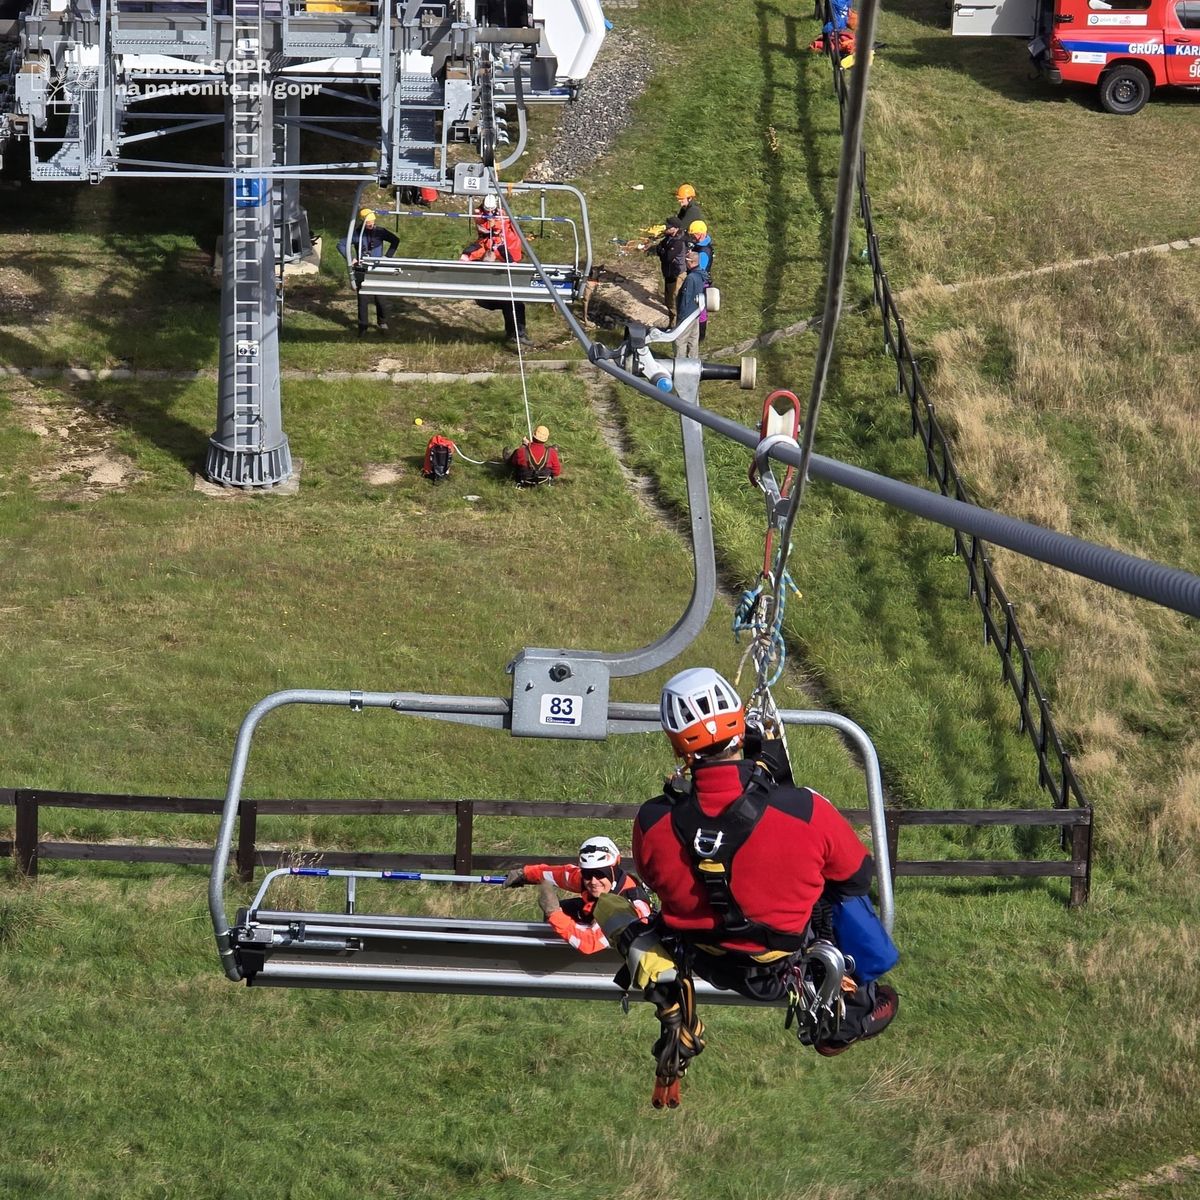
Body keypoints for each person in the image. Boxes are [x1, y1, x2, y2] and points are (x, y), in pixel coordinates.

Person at [604, 667, 898, 1106]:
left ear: (676, 742)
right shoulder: (805, 810)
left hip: (702, 959)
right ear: (741, 725)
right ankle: (853, 1009)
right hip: (787, 964)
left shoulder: (652, 821)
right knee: (837, 894)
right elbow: (856, 877)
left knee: (611, 902)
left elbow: (650, 876)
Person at [504, 836, 652, 954]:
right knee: (568, 908)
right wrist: (524, 874)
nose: (593, 881)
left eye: (601, 874)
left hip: (622, 951)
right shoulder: (587, 880)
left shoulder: (628, 905)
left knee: (560, 914)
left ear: (615, 867)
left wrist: (553, 913)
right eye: (588, 874)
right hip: (600, 921)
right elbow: (557, 874)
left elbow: (589, 943)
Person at [460, 193, 529, 347]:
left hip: (501, 289)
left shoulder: (500, 246)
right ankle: (516, 335)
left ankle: (517, 335)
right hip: (485, 293)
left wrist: (511, 262)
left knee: (516, 304)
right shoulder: (481, 248)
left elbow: (508, 254)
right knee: (512, 303)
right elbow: (478, 238)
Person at [351, 208, 399, 336]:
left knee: (380, 297)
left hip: (378, 269)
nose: (371, 224)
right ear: (363, 222)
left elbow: (395, 240)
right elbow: (342, 245)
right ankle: (363, 326)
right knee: (363, 298)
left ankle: (382, 322)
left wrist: (387, 257)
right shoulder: (356, 233)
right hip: (362, 269)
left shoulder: (380, 232)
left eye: (372, 221)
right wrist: (352, 259)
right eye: (368, 222)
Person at [646, 215, 687, 325]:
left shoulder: (678, 242)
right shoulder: (669, 238)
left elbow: (667, 258)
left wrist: (663, 251)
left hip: (676, 274)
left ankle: (675, 325)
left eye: (669, 227)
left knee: (673, 300)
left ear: (676, 228)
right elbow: (659, 248)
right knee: (668, 300)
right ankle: (672, 321)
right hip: (669, 273)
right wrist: (663, 250)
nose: (667, 229)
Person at [674, 250, 706, 360]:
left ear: (691, 262)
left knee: (680, 340)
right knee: (693, 339)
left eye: (686, 261)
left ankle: (680, 365)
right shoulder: (701, 275)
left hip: (687, 315)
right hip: (695, 313)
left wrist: (681, 316)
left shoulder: (690, 278)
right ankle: (693, 362)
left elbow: (685, 299)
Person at [686, 220, 715, 342]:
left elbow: (700, 269)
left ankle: (700, 335)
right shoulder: (701, 245)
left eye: (694, 235)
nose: (692, 237)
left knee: (701, 308)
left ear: (701, 234)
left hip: (701, 282)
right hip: (700, 279)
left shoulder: (704, 252)